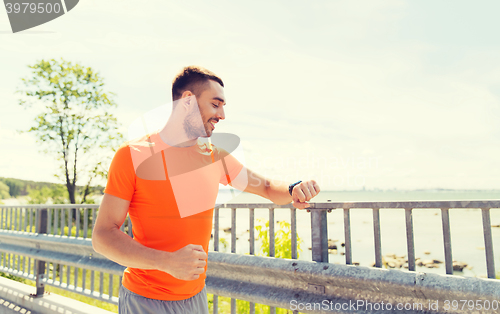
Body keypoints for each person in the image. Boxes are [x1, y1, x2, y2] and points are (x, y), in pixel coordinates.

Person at [92, 66, 321, 314]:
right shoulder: (133, 155)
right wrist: (166, 262)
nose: (222, 115)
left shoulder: (215, 158)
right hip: (145, 300)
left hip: (196, 298)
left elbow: (266, 188)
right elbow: (103, 236)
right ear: (188, 101)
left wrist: (293, 189)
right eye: (215, 104)